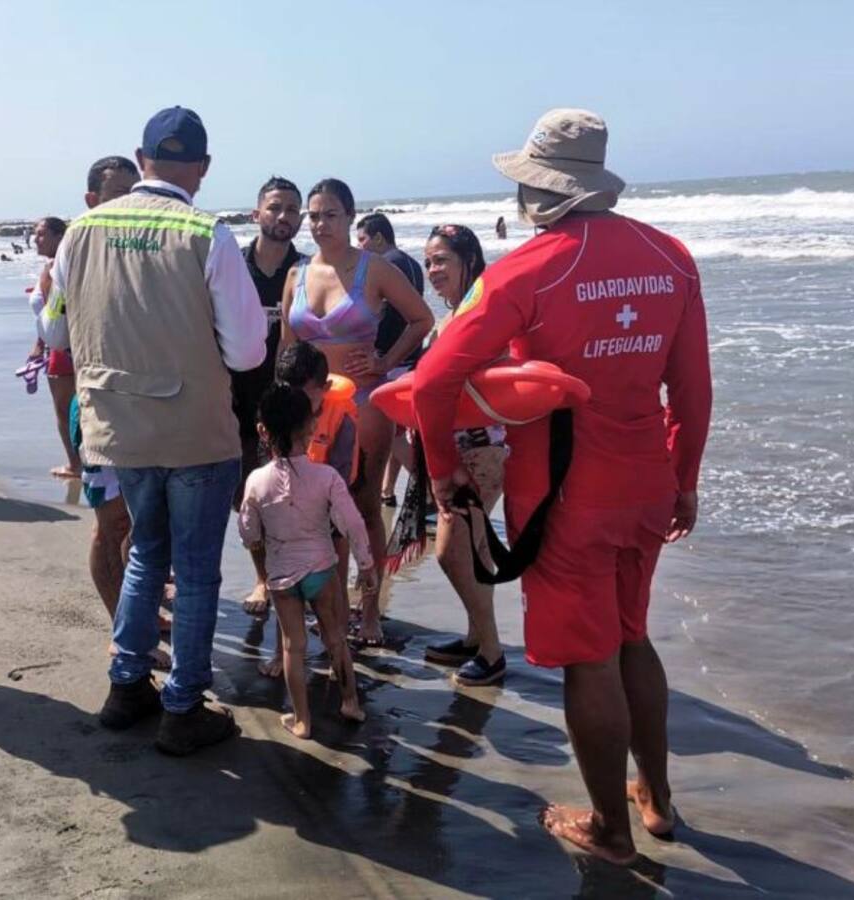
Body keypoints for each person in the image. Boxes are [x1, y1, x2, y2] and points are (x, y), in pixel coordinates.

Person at [413, 109, 712, 866]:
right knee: (632, 634)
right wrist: (685, 481)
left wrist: (443, 470)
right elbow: (694, 389)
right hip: (647, 482)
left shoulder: (529, 267)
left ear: (541, 193)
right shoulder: (671, 256)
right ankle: (658, 798)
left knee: (591, 657)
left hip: (565, 497)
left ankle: (610, 827)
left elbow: (434, 379)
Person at [47, 106, 267, 755]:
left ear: (142, 161)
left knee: (146, 551)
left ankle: (125, 686)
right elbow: (249, 350)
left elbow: (54, 331)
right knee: (195, 570)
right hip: (194, 429)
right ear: (201, 168)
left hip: (116, 428)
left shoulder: (79, 231)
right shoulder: (208, 233)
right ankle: (183, 705)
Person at [282, 179, 434, 647]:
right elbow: (288, 350)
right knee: (313, 512)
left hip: (365, 403)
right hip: (310, 409)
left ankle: (370, 612)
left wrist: (386, 363)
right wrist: (277, 407)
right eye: (313, 215)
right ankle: (332, 608)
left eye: (330, 214)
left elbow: (422, 319)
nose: (320, 223)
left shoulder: (375, 270)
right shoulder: (297, 274)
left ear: (350, 217)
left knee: (363, 508)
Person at [58, 156, 155, 663]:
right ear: (91, 199)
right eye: (116, 192)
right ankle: (123, 628)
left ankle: (136, 614)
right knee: (111, 524)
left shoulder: (146, 248)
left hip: (150, 413)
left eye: (132, 192)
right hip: (98, 414)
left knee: (143, 524)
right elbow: (52, 331)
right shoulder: (73, 251)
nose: (126, 203)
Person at [238, 383, 374, 738]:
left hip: (282, 577)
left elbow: (248, 531)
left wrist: (258, 548)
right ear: (312, 427)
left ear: (262, 431)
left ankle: (301, 720)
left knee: (291, 647)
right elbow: (353, 523)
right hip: (321, 569)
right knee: (335, 638)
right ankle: (350, 703)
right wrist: (366, 564)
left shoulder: (256, 481)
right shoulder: (326, 477)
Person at [413, 224, 508, 686]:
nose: (432, 270)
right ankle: (476, 636)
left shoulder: (485, 312)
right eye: (429, 261)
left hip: (484, 449)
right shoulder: (455, 315)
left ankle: (492, 652)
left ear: (469, 259)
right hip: (456, 449)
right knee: (473, 550)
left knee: (452, 552)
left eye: (442, 260)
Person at [257, 340, 360, 678]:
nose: (298, 406)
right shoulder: (280, 414)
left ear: (326, 388)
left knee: (334, 595)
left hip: (328, 520)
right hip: (285, 525)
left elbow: (344, 478)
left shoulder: (341, 418)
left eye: (307, 396)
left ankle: (338, 654)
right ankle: (279, 653)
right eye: (292, 395)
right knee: (284, 591)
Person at [234, 175, 305, 617]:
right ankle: (263, 579)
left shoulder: (307, 268)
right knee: (248, 501)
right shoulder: (233, 267)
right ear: (257, 211)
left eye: (292, 210)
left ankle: (296, 578)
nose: (283, 217)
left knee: (294, 503)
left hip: (291, 405)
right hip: (235, 403)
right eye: (275, 207)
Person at [355, 212, 426, 507]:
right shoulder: (412, 263)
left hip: (390, 359)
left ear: (379, 237)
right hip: (411, 357)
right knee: (397, 428)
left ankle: (430, 487)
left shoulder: (385, 266)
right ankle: (388, 490)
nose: (358, 247)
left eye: (362, 239)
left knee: (393, 432)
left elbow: (381, 315)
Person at [30, 215, 77, 478]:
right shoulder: (53, 266)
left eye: (41, 234)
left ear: (60, 237)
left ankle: (76, 464)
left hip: (63, 349)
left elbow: (55, 314)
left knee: (64, 409)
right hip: (61, 346)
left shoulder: (55, 268)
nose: (36, 238)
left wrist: (43, 344)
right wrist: (38, 342)